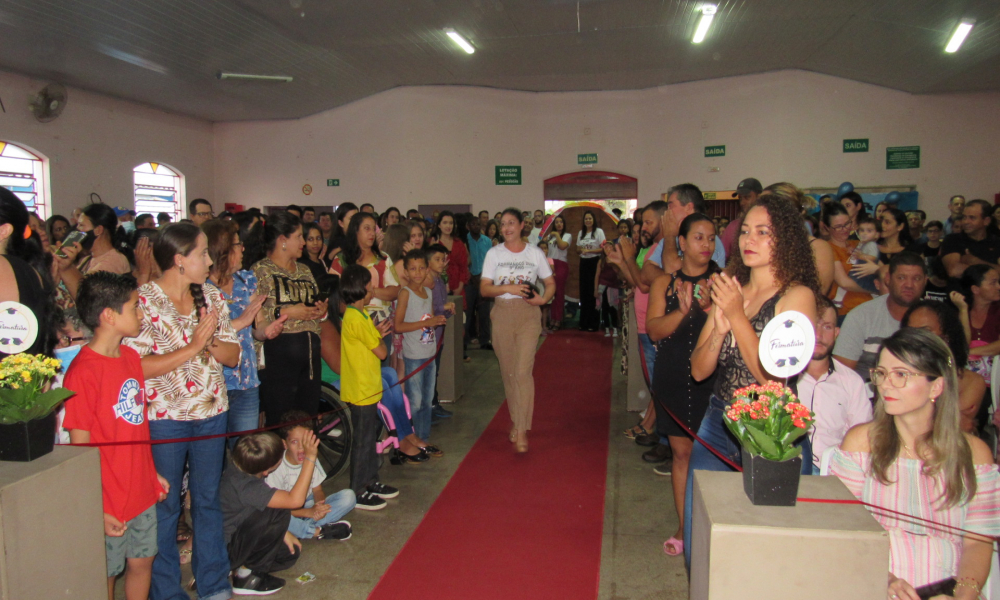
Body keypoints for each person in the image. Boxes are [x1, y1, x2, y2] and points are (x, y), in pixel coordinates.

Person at [684, 192, 820, 566]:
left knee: (771, 541)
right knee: (702, 530)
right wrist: (720, 328)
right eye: (745, 231)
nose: (749, 240)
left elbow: (771, 378)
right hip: (719, 418)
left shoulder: (797, 296)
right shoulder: (732, 287)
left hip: (771, 427)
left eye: (763, 232)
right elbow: (698, 370)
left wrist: (737, 317)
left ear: (786, 239)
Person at [830, 328, 998, 600]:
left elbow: (978, 543)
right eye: (881, 373)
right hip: (872, 583)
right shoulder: (861, 443)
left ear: (937, 386)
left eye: (901, 375)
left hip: (949, 587)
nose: (885, 385)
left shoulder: (974, 454)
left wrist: (962, 596)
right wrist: (882, 578)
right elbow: (842, 530)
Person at [124, 223, 241, 600]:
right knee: (166, 507)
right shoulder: (143, 301)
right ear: (178, 260)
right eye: (202, 253)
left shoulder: (211, 297)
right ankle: (165, 591)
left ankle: (213, 582)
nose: (209, 261)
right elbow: (136, 367)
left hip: (211, 411)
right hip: (164, 419)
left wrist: (208, 346)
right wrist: (192, 348)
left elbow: (233, 354)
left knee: (207, 501)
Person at [63, 272, 169, 600]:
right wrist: (99, 507)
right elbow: (79, 450)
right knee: (106, 572)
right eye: (135, 307)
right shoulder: (82, 373)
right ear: (109, 315)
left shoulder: (130, 358)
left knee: (142, 562)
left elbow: (136, 426)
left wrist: (151, 473)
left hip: (139, 487)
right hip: (108, 495)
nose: (141, 314)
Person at [646, 213, 720, 556]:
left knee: (716, 456)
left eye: (711, 238)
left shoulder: (724, 282)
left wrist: (711, 307)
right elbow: (655, 330)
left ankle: (716, 527)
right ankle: (684, 526)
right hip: (674, 373)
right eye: (699, 238)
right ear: (683, 242)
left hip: (714, 375)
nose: (706, 244)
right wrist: (686, 311)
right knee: (682, 453)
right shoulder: (665, 283)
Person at [480, 208, 556, 453]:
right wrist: (510, 287)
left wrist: (543, 300)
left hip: (527, 315)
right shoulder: (494, 254)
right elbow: (484, 289)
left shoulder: (534, 253)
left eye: (511, 223)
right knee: (509, 373)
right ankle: (517, 420)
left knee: (523, 372)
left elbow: (551, 282)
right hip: (501, 314)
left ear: (522, 225)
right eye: (503, 224)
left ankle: (522, 429)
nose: (506, 228)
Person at [203, 220, 286, 443]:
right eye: (238, 244)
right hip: (213, 382)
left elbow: (257, 329)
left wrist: (268, 331)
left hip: (246, 380)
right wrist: (240, 321)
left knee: (245, 450)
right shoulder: (201, 289)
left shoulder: (246, 280)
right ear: (222, 250)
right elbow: (203, 335)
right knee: (215, 453)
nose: (243, 249)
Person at [248, 212, 327, 425]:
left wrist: (320, 308)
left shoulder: (304, 270)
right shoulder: (260, 270)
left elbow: (313, 302)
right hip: (278, 358)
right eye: (299, 237)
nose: (304, 242)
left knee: (307, 418)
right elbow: (256, 313)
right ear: (283, 240)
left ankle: (307, 458)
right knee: (281, 420)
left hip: (310, 355)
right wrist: (288, 313)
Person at [220, 431, 313, 595]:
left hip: (239, 534)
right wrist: (310, 459)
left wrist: (281, 533)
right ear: (266, 471)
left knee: (289, 554)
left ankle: (235, 568)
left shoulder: (241, 465)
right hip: (226, 547)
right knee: (280, 510)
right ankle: (245, 578)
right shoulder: (248, 486)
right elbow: (294, 500)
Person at [339, 264, 399, 510]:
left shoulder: (360, 316)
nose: (372, 289)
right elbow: (382, 352)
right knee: (363, 441)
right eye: (369, 285)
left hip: (368, 388)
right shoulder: (356, 318)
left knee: (370, 436)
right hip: (362, 390)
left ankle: (371, 480)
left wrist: (374, 333)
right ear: (360, 289)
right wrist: (376, 336)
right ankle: (358, 490)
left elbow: (367, 344)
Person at [796, 295, 872, 474]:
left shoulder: (851, 382)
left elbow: (863, 438)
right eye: (812, 325)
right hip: (789, 466)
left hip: (833, 472)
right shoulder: (781, 378)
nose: (818, 335)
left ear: (837, 333)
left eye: (827, 327)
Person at [833, 252, 928, 383]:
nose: (909, 285)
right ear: (888, 279)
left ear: (925, 281)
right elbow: (841, 375)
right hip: (867, 396)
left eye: (916, 279)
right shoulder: (860, 316)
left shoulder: (934, 317)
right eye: (901, 278)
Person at [265, 412, 355, 541]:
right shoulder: (277, 467)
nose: (301, 447)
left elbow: (317, 490)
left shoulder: (311, 456)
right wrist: (308, 512)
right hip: (285, 512)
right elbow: (275, 509)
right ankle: (313, 530)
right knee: (276, 518)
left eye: (305, 442)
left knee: (349, 496)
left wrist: (319, 507)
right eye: (294, 442)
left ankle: (303, 529)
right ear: (284, 444)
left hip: (308, 505)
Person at [902, 300, 986, 434]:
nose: (917, 339)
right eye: (911, 332)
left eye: (925, 331)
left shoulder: (971, 382)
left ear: (946, 338)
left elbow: (955, 431)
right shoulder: (896, 374)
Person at [328, 212, 400, 364]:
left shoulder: (383, 258)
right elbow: (334, 295)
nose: (371, 233)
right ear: (355, 231)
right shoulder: (341, 260)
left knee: (381, 371)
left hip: (382, 323)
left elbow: (395, 291)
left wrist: (371, 292)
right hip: (353, 324)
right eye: (366, 228)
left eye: (373, 229)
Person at [396, 249, 448, 444]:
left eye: (421, 268)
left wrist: (436, 321)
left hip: (429, 353)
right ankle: (414, 439)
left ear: (427, 270)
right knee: (415, 402)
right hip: (414, 356)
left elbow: (429, 320)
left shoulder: (428, 291)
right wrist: (426, 323)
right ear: (406, 272)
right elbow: (398, 326)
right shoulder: (405, 294)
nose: (417, 273)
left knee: (427, 400)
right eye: (413, 269)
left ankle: (424, 438)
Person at [823, 203, 875, 322]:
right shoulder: (827, 248)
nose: (845, 229)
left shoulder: (858, 244)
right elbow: (844, 282)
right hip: (846, 312)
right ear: (827, 227)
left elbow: (881, 270)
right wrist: (875, 288)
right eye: (838, 226)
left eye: (847, 224)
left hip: (870, 307)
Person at [960, 264, 1000, 393]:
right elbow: (961, 344)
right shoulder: (960, 312)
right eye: (993, 283)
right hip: (966, 380)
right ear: (976, 289)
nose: (999, 287)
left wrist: (970, 353)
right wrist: (963, 310)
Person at [941, 199, 1000, 279]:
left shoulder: (996, 242)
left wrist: (974, 262)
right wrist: (993, 268)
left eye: (972, 218)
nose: (966, 222)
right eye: (964, 217)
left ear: (986, 221)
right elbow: (954, 271)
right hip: (960, 291)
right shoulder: (953, 239)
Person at [576, 210, 605, 332]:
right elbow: (577, 248)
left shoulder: (599, 232)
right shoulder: (580, 233)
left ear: (593, 220)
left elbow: (603, 248)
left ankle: (593, 323)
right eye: (586, 219)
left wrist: (590, 251)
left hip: (595, 262)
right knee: (584, 292)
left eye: (590, 218)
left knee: (593, 292)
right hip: (584, 263)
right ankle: (583, 322)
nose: (588, 221)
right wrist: (581, 251)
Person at [467, 216, 493, 346]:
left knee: (484, 312)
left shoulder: (487, 241)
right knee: (469, 312)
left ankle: (485, 339)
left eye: (478, 224)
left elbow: (490, 261)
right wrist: (472, 276)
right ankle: (468, 338)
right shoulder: (465, 240)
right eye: (473, 224)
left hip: (484, 280)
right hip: (469, 281)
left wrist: (484, 277)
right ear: (468, 226)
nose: (476, 226)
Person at [720, 177, 762, 257]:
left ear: (759, 197)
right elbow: (721, 258)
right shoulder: (733, 227)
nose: (742, 202)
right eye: (740, 198)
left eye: (747, 197)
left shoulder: (769, 225)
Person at [544, 215, 572, 332]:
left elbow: (562, 246)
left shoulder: (567, 235)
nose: (559, 224)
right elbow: (543, 247)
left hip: (561, 265)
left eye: (561, 222)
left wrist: (556, 235)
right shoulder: (549, 236)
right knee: (551, 293)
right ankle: (551, 318)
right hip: (550, 264)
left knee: (559, 293)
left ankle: (558, 319)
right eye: (557, 222)